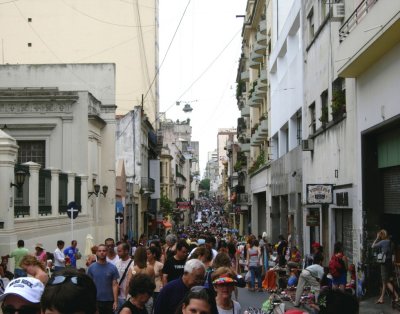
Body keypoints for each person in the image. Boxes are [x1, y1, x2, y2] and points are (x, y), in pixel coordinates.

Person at [87, 244, 119, 314]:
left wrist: (115, 301)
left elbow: (115, 285)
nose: (102, 252)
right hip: (96, 301)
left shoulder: (113, 268)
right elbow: (89, 286)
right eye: (100, 251)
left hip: (109, 301)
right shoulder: (91, 268)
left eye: (104, 251)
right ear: (97, 253)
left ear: (107, 252)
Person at [371, 229, 399, 304]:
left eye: (380, 236)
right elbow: (393, 254)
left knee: (385, 281)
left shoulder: (383, 242)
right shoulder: (391, 242)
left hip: (384, 263)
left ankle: (396, 296)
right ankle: (382, 298)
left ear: (382, 235)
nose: (379, 237)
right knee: (384, 281)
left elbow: (372, 246)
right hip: (389, 263)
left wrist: (376, 238)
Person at [115, 242, 133, 312]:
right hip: (117, 296)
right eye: (117, 251)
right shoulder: (117, 263)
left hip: (128, 297)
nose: (118, 253)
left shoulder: (133, 263)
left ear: (126, 251)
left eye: (119, 251)